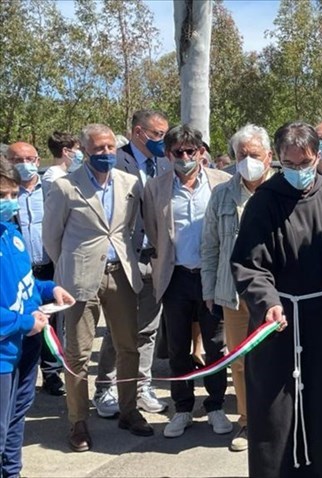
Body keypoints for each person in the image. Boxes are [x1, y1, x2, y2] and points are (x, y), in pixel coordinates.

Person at [231, 121, 322, 477]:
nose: (299, 172)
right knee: (276, 408)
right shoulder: (264, 202)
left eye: (305, 164)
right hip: (278, 320)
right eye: (290, 166)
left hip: (321, 316)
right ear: (277, 160)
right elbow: (248, 263)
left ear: (316, 157)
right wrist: (267, 301)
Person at [43, 123, 154, 451]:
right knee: (77, 354)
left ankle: (129, 410)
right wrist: (69, 267)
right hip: (79, 278)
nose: (105, 154)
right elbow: (52, 238)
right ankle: (78, 421)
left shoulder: (129, 182)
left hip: (120, 273)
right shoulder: (65, 187)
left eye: (109, 148)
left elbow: (131, 227)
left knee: (128, 347)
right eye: (97, 149)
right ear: (84, 150)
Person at [143, 125, 232, 439]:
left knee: (216, 346)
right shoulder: (155, 188)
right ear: (168, 155)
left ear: (201, 152)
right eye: (177, 152)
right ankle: (182, 408)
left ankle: (217, 405)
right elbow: (154, 233)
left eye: (190, 151)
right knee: (179, 348)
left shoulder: (223, 183)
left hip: (211, 276)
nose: (184, 157)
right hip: (176, 277)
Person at [200, 124, 275, 452]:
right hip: (232, 293)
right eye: (242, 155)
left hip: (275, 293)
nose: (248, 161)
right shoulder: (222, 195)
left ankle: (278, 419)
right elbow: (210, 247)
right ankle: (247, 422)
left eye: (254, 155)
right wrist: (209, 288)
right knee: (240, 361)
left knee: (277, 359)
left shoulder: (282, 191)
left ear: (269, 156)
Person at [94, 109, 171, 418]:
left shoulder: (165, 163)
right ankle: (106, 386)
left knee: (148, 330)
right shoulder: (116, 161)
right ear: (139, 133)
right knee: (119, 329)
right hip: (126, 258)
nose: (162, 141)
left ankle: (141, 386)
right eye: (157, 135)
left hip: (156, 258)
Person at [0, 157, 72, 477]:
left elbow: (24, 281)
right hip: (4, 355)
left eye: (14, 195)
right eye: (3, 195)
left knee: (16, 420)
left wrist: (48, 290)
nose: (10, 203)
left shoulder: (10, 232)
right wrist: (25, 323)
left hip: (25, 350)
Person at [7, 142, 66, 398]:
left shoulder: (51, 189)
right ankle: (19, 373)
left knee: (52, 324)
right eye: (18, 159)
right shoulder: (6, 194)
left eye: (30, 158)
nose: (26, 164)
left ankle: (52, 374)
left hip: (48, 266)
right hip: (17, 273)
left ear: (38, 159)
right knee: (23, 322)